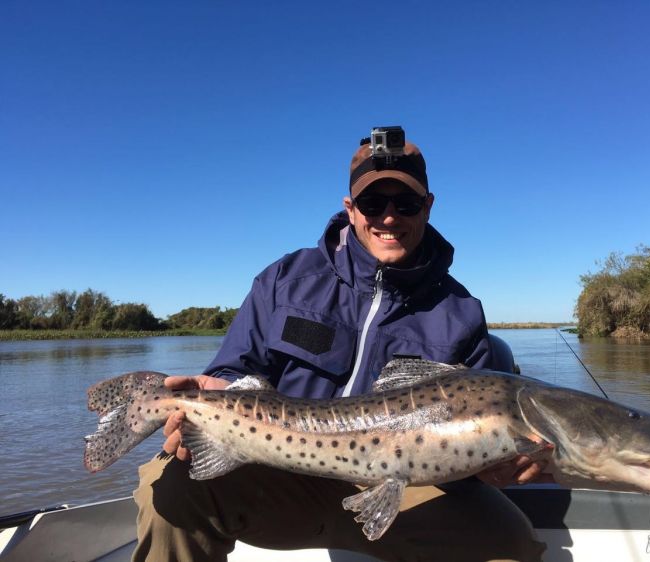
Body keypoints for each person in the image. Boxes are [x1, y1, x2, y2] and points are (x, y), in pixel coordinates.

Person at [132, 129, 548, 562]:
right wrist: (217, 393)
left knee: (511, 544)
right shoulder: (285, 280)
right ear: (350, 210)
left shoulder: (461, 313)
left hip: (406, 488)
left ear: (427, 207)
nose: (389, 218)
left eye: (404, 204)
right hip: (279, 470)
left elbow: (468, 450)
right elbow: (234, 369)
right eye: (372, 204)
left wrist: (493, 470)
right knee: (170, 492)